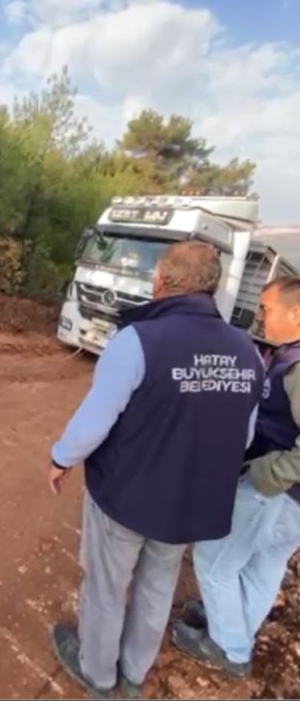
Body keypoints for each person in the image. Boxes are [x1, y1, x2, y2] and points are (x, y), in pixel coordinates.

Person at [48, 241, 264, 699]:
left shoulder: (137, 341)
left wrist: (62, 458)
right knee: (156, 587)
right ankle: (133, 677)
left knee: (107, 587)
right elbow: (243, 439)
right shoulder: (247, 352)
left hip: (125, 498)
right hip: (188, 504)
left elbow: (95, 421)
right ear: (214, 288)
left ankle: (98, 675)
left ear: (161, 282)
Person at [173, 276, 300, 677]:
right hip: (292, 500)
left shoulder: (298, 366)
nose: (260, 316)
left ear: (295, 313)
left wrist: (268, 472)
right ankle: (230, 625)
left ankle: (229, 648)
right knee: (261, 565)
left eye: (267, 309)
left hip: (276, 490)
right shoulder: (287, 356)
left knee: (214, 561)